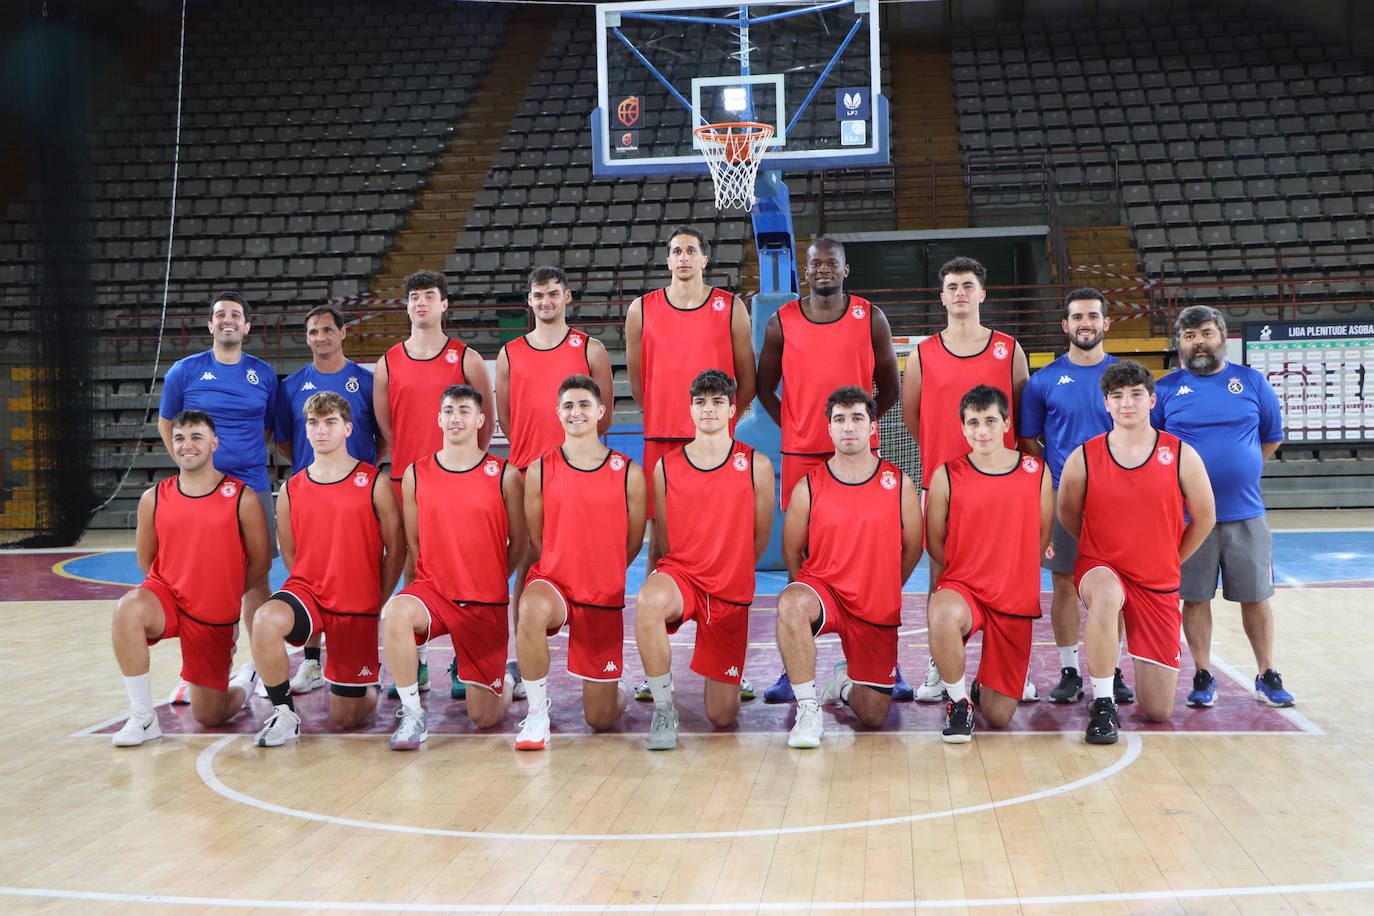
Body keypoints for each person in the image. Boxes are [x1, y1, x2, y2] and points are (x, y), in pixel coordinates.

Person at [754, 237, 905, 703]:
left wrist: (858, 427)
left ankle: (885, 662)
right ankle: (792, 667)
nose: (823, 269)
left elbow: (890, 387)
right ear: (804, 270)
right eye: (815, 263)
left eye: (831, 263)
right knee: (799, 556)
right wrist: (799, 427)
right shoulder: (782, 321)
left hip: (861, 457)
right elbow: (764, 388)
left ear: (846, 269)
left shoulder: (870, 317)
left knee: (874, 553)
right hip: (802, 456)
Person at [1057, 360, 1215, 744]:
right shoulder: (1085, 456)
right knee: (1107, 596)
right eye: (1117, 396)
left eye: (1135, 394)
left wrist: (1171, 559)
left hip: (1157, 579)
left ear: (1151, 400)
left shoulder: (1180, 454)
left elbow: (1205, 517)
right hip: (1102, 567)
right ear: (1106, 404)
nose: (1126, 402)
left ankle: (1127, 681)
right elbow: (1067, 512)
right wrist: (1098, 549)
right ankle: (1104, 702)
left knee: (1158, 711)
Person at [900, 257, 1032, 704]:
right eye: (952, 286)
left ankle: (1011, 667)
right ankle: (940, 666)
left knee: (1008, 572)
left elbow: (1021, 413)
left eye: (968, 285)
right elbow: (912, 416)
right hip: (946, 482)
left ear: (982, 294)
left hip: (1002, 483)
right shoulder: (921, 352)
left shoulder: (1008, 348)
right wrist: (945, 461)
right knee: (941, 570)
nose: (960, 292)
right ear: (942, 297)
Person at [1152, 306, 1294, 708]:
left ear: (1222, 337)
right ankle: (1202, 674)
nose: (1199, 341)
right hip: (1187, 518)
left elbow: (1270, 437)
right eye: (1190, 335)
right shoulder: (1164, 390)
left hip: (1245, 513)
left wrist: (1238, 470)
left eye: (1206, 333)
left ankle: (1267, 672)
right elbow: (1156, 448)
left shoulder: (1251, 382)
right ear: (1179, 344)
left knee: (1256, 597)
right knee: (1194, 598)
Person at [249, 392, 405, 746]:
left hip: (357, 602)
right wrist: (311, 583)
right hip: (309, 594)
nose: (321, 430)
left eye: (330, 422)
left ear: (348, 428)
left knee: (347, 718)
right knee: (264, 620)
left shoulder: (373, 481)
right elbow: (290, 553)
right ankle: (284, 713)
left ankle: (366, 680)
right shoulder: (292, 488)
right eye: (313, 423)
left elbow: (396, 548)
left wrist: (376, 599)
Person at [633, 370, 774, 750]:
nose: (708, 409)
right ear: (690, 409)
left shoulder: (756, 465)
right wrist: (656, 580)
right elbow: (662, 539)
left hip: (729, 589)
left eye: (716, 402)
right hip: (683, 578)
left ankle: (725, 676)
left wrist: (735, 570)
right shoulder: (666, 467)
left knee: (721, 715)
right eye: (700, 402)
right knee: (648, 601)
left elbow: (760, 536)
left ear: (732, 409)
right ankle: (664, 708)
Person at [110, 410, 269, 746]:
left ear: (214, 443)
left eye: (196, 437)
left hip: (213, 612)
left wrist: (225, 593)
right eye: (180, 438)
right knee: (128, 609)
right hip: (168, 597)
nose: (187, 445)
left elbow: (260, 561)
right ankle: (143, 717)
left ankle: (246, 680)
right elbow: (145, 559)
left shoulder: (242, 497)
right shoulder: (153, 498)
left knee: (210, 716)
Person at [381, 384, 527, 750]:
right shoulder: (417, 473)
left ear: (481, 420)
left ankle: (506, 680)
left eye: (464, 411)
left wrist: (491, 578)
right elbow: (415, 542)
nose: (455, 417)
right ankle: (413, 714)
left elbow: (520, 543)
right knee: (397, 612)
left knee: (484, 717)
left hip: (485, 602)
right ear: (439, 418)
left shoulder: (504, 474)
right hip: (436, 594)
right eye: (448, 410)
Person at [775, 386, 922, 749]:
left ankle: (841, 684)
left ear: (873, 427)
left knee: (873, 716)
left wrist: (885, 586)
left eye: (857, 418)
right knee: (792, 603)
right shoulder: (809, 486)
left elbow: (913, 548)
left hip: (874, 605)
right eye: (840, 419)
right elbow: (792, 552)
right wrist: (806, 590)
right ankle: (808, 711)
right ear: (829, 429)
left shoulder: (898, 483)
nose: (848, 427)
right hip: (825, 592)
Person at [495, 265, 614, 700]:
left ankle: (592, 656)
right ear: (529, 301)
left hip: (583, 474)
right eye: (538, 295)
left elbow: (606, 415)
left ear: (568, 297)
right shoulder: (510, 354)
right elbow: (507, 419)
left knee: (588, 563)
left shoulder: (592, 349)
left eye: (552, 293)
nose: (545, 301)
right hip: (529, 474)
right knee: (527, 566)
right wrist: (533, 458)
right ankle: (522, 659)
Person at [373, 269, 492, 697]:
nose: (421, 303)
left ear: (444, 305)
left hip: (460, 478)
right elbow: (386, 427)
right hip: (409, 476)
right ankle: (417, 663)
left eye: (429, 296)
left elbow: (486, 420)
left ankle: (466, 657)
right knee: (411, 565)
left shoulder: (467, 358)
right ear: (407, 306)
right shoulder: (388, 361)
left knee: (466, 565)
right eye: (414, 297)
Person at [514, 374, 647, 750]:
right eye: (569, 405)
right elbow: (538, 538)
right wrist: (564, 562)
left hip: (601, 593)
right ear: (558, 413)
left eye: (585, 404)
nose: (577, 412)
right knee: (531, 607)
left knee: (600, 719)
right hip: (555, 581)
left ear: (601, 412)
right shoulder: (540, 470)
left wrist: (601, 568)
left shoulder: (628, 473)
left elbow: (634, 540)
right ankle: (537, 713)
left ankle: (613, 685)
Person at [157, 292, 278, 703]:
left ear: (246, 327)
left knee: (257, 580)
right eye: (220, 315)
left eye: (236, 315)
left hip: (251, 488)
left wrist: (239, 465)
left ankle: (262, 667)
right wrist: (192, 467)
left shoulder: (263, 374)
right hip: (200, 493)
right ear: (210, 326)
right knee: (198, 583)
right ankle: (196, 672)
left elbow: (266, 429)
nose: (228, 320)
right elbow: (167, 423)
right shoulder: (184, 371)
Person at [1017, 288, 1134, 706]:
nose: (1086, 323)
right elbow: (1028, 438)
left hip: (1117, 503)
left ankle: (1113, 669)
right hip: (1063, 501)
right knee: (1064, 585)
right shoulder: (1044, 380)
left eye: (1093, 316)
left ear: (1106, 323)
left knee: (1113, 588)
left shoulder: (1126, 379)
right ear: (1065, 326)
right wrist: (1062, 476)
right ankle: (1069, 671)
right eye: (1077, 317)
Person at [925, 386, 1052, 743]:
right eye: (973, 423)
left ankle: (984, 685)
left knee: (999, 717)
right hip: (965, 588)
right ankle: (958, 701)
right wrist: (962, 572)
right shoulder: (948, 475)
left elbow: (1041, 535)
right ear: (963, 428)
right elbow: (936, 541)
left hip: (1014, 597)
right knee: (943, 610)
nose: (982, 431)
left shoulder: (1035, 471)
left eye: (990, 421)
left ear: (1007, 424)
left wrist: (1013, 568)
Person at [625, 226, 755, 569]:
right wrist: (661, 412)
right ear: (668, 260)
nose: (684, 257)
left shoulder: (730, 307)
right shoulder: (642, 309)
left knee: (715, 535)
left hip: (714, 442)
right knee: (660, 543)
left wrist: (722, 424)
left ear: (704, 259)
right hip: (661, 438)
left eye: (691, 251)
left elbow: (748, 378)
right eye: (677, 251)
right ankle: (657, 616)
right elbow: (639, 382)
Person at [273, 305, 384, 695]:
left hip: (355, 494)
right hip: (310, 494)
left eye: (326, 330)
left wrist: (361, 467)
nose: (319, 337)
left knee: (355, 574)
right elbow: (286, 439)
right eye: (312, 332)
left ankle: (361, 659)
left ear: (342, 333)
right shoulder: (290, 386)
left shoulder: (365, 381)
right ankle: (311, 662)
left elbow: (382, 434)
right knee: (309, 571)